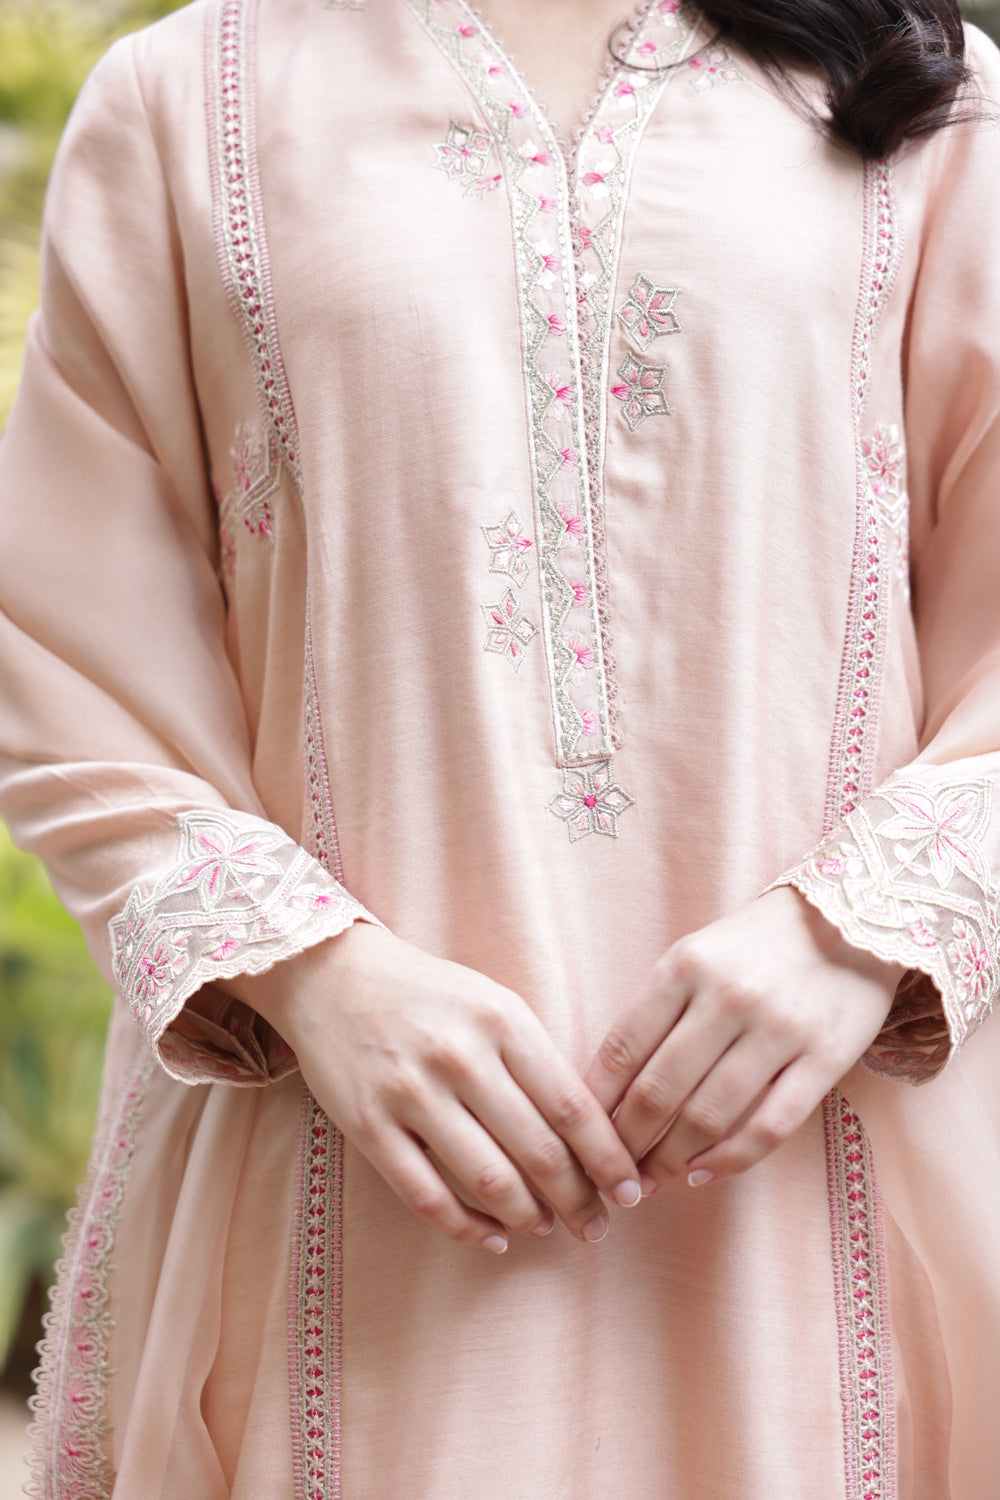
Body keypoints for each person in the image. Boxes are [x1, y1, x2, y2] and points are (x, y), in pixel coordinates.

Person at [1, 0, 999, 1492]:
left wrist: (848, 936)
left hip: (831, 1155)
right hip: (357, 1173)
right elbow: (65, 648)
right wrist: (318, 977)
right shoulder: (183, 99)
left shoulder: (932, 97)